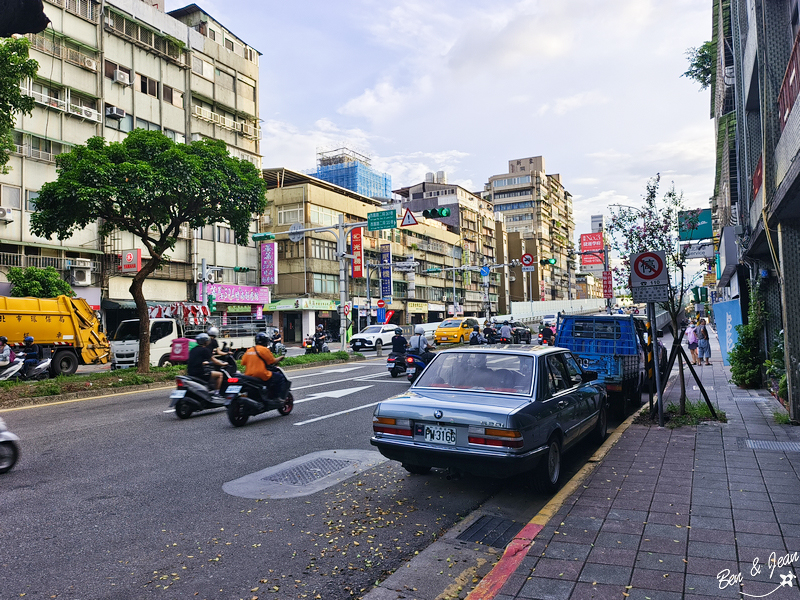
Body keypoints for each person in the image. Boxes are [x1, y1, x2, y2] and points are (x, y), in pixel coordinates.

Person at [242, 332, 287, 399]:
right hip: (261, 374)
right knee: (279, 377)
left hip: (248, 375)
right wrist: (280, 358)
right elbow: (272, 361)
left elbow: (243, 362)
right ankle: (276, 398)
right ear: (265, 342)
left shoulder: (249, 350)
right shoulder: (264, 350)